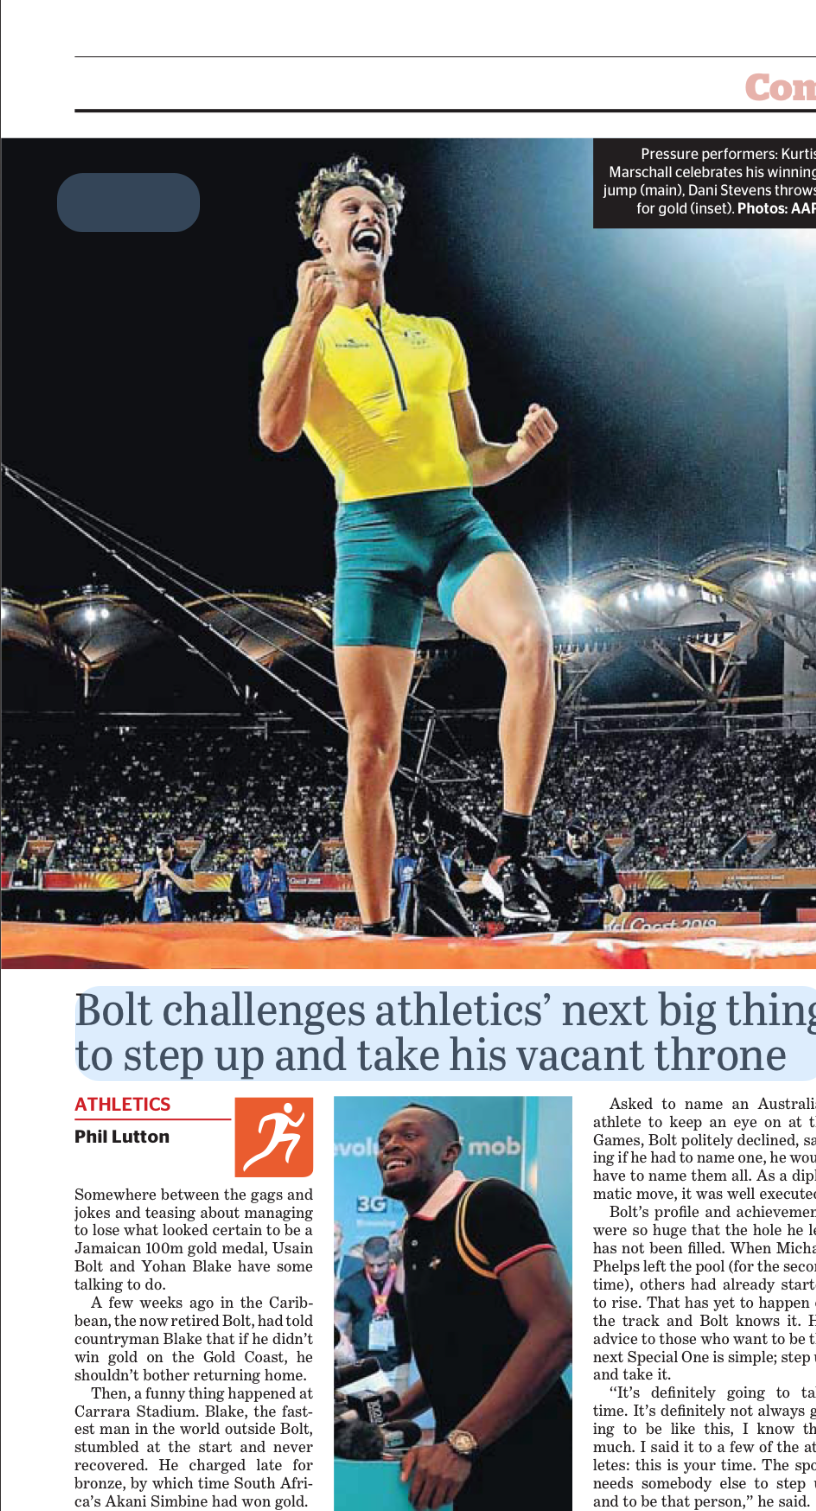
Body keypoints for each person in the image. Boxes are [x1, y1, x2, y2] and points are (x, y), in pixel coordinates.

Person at [258, 155, 559, 935]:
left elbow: (470, 457)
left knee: (530, 640)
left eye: (379, 212)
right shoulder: (302, 339)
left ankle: (511, 853)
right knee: (370, 751)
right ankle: (374, 928)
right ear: (319, 239)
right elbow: (276, 434)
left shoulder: (437, 336)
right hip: (371, 541)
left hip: (456, 523)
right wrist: (305, 321)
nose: (371, 218)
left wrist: (516, 454)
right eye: (352, 208)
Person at [374, 1103, 572, 1511]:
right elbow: (464, 1345)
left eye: (409, 1135)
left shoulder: (489, 1202)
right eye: (384, 1140)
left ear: (450, 1152)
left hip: (529, 1460)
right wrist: (393, 1409)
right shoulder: (416, 1231)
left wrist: (462, 1442)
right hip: (468, 1456)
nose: (391, 1144)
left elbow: (558, 1329)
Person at [334, 1234, 409, 1379]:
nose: (375, 1270)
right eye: (370, 1265)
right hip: (363, 1366)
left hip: (400, 1364)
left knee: (400, 1401)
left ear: (389, 1259)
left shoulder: (400, 1284)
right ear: (364, 1259)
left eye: (381, 1265)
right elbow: (338, 1326)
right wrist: (342, 1344)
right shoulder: (350, 1285)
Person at [551, 814, 627, 930]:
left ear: (588, 835)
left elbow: (615, 886)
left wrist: (617, 905)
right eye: (572, 833)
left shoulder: (603, 858)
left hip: (593, 925)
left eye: (579, 833)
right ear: (566, 836)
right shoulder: (555, 857)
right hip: (564, 925)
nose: (575, 837)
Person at [133, 838, 191, 922]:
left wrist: (170, 873)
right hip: (151, 918)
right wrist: (144, 881)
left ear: (172, 848)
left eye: (165, 847)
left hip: (174, 917)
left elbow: (190, 889)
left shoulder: (183, 867)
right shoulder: (147, 867)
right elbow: (136, 896)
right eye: (159, 847)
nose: (161, 850)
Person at [232, 842, 290, 922]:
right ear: (254, 851)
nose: (265, 850)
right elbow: (236, 894)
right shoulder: (243, 870)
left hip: (276, 918)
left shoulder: (279, 868)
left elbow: (285, 893)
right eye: (261, 848)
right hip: (251, 917)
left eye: (267, 847)